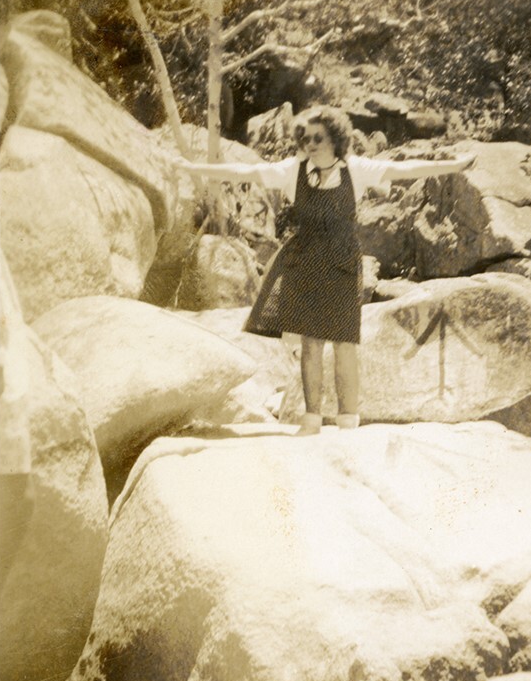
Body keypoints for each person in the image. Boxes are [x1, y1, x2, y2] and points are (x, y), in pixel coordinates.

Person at [173, 105, 475, 435]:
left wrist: (456, 164)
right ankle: (311, 420)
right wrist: (191, 167)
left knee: (345, 343)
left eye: (318, 137)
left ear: (335, 137)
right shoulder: (293, 171)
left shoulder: (355, 168)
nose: (311, 143)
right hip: (306, 263)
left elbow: (404, 169)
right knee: (311, 343)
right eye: (306, 138)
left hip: (343, 261)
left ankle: (349, 421)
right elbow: (243, 172)